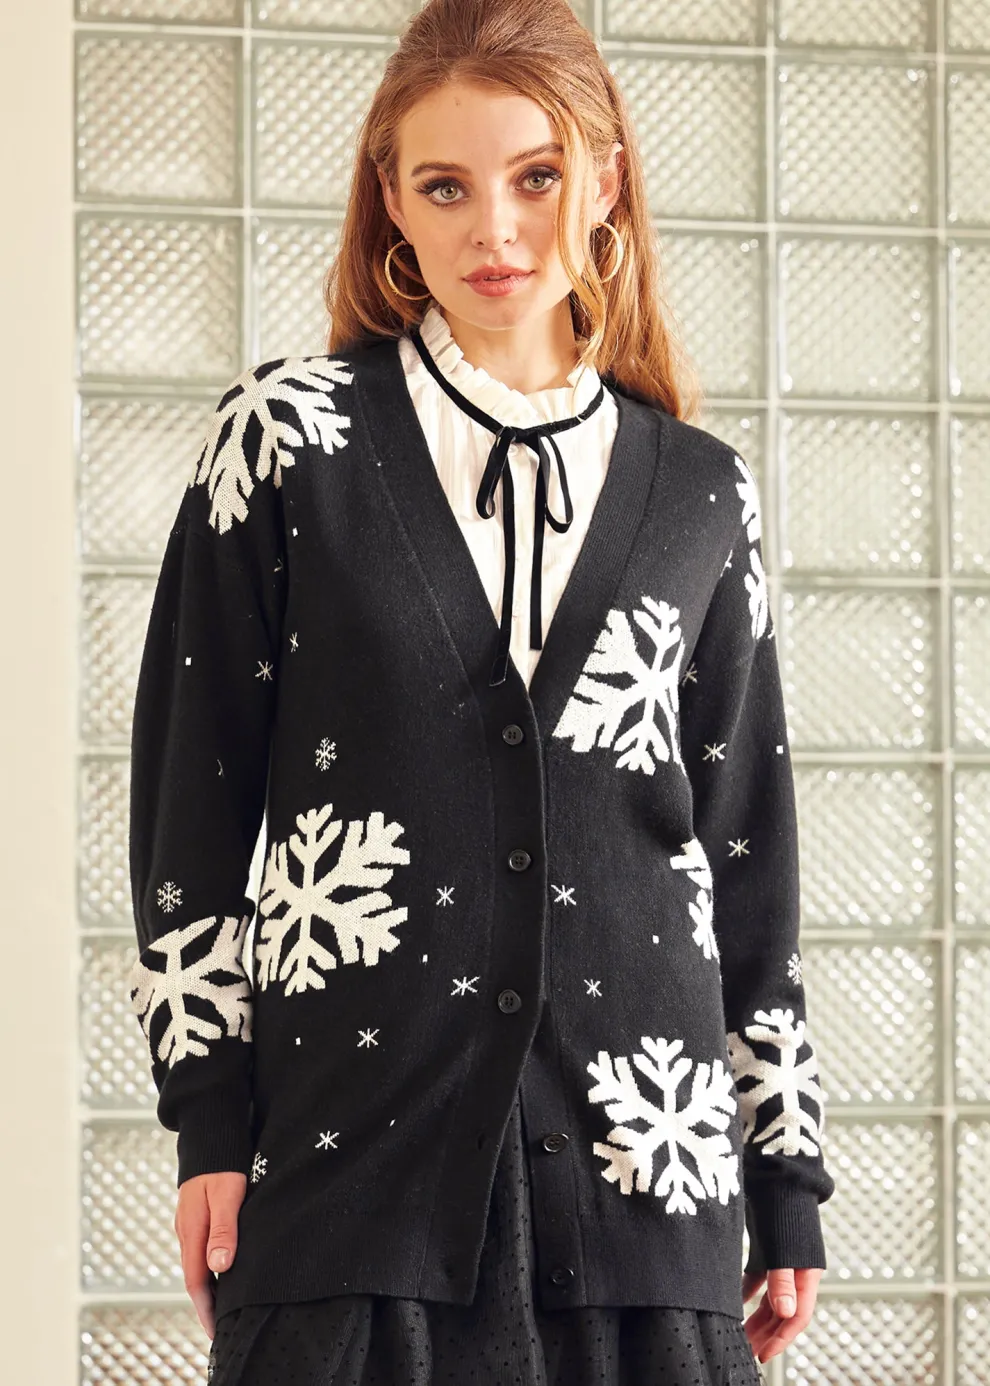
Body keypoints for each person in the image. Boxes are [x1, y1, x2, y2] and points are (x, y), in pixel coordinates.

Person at [126, 1, 835, 1382]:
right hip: (349, 1174)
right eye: (445, 186)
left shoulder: (701, 494)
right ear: (390, 199)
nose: (494, 231)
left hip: (648, 1182)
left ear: (604, 181)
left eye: (536, 176)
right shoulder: (289, 444)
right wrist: (208, 1116)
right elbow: (187, 813)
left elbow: (745, 855)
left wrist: (784, 1166)